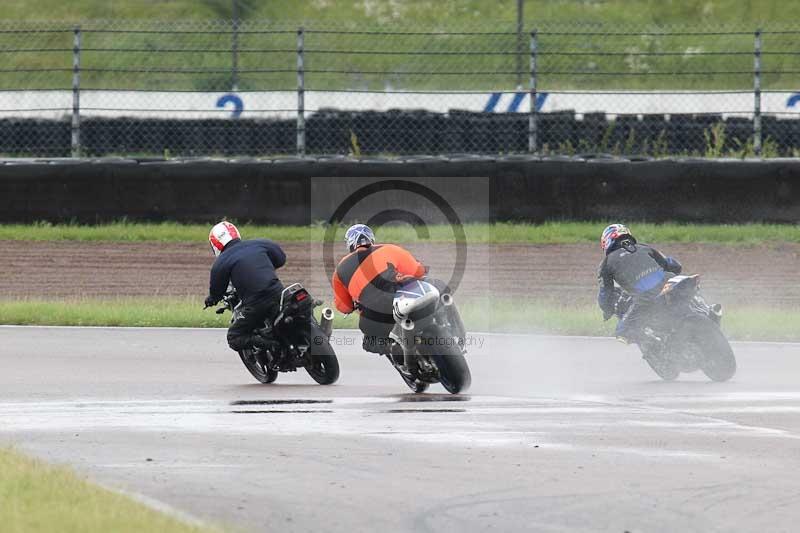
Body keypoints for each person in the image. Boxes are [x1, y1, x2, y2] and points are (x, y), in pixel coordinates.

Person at [331, 224, 427, 355]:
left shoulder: (340, 269)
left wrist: (354, 305)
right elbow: (418, 271)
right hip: (400, 297)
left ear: (350, 244)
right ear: (371, 239)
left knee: (369, 343)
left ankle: (394, 350)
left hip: (373, 313)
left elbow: (344, 306)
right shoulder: (388, 249)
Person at [204, 221, 287, 353]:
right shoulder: (261, 243)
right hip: (279, 292)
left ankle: (273, 345)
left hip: (257, 303)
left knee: (234, 337)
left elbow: (216, 292)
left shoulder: (221, 262)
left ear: (215, 244)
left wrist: (211, 299)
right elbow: (281, 259)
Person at [597, 223, 682, 344]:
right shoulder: (644, 247)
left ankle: (657, 347)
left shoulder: (606, 264)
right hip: (671, 283)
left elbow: (605, 295)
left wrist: (607, 309)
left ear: (607, 241)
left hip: (646, 296)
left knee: (621, 331)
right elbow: (675, 265)